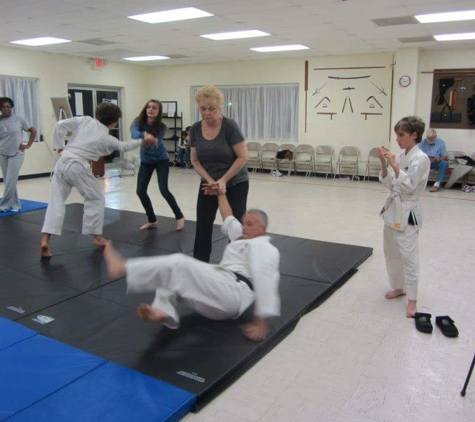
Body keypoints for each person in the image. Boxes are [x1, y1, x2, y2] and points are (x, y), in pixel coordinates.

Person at [103, 187, 280, 341]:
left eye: (250, 224)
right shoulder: (241, 236)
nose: (244, 227)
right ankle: (163, 311)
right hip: (216, 299)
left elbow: (267, 281)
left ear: (263, 229)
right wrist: (221, 193)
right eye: (244, 223)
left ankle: (123, 267)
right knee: (169, 275)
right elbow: (228, 216)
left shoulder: (266, 248)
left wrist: (261, 323)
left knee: (179, 263)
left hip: (233, 292)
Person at [40, 103, 156, 259]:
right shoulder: (107, 138)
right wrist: (143, 139)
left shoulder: (85, 120)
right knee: (96, 198)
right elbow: (124, 146)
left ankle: (45, 241)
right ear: (114, 122)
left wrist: (59, 146)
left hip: (62, 161)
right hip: (78, 165)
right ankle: (97, 237)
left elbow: (60, 125)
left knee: (56, 201)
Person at [377, 116, 430, 318]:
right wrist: (385, 163)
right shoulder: (400, 156)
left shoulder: (421, 159)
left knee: (409, 257)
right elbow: (390, 183)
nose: (397, 139)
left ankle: (413, 301)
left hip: (408, 212)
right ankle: (398, 287)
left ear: (414, 135)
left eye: (402, 135)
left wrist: (395, 165)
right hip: (392, 210)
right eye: (397, 135)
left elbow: (409, 185)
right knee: (391, 253)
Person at [190, 86, 249, 262]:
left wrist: (223, 181)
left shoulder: (229, 127)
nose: (207, 113)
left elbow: (243, 157)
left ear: (220, 107)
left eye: (211, 109)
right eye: (203, 109)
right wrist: (211, 181)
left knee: (235, 226)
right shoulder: (194, 129)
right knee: (203, 225)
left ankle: (237, 267)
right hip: (208, 184)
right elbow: (195, 161)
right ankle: (200, 266)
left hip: (235, 183)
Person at [131, 99, 185, 231]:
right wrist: (145, 135)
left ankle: (179, 216)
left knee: (164, 190)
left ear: (158, 111)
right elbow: (134, 134)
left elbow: (155, 143)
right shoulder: (137, 122)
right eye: (149, 107)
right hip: (146, 161)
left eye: (154, 108)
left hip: (161, 160)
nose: (150, 110)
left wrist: (148, 139)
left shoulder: (162, 127)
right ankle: (152, 220)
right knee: (140, 191)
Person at [0, 97, 37, 212]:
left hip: (17, 153)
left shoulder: (19, 119)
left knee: (11, 180)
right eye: (3, 107)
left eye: (8, 107)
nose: (6, 109)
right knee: (8, 180)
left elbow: (33, 130)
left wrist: (28, 145)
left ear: (11, 108)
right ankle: (15, 204)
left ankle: (4, 206)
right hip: (3, 153)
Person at [418, 128, 449, 192]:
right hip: (425, 162)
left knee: (445, 163)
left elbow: (445, 156)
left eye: (431, 138)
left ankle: (436, 185)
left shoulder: (441, 142)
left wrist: (437, 159)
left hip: (436, 162)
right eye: (428, 138)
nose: (429, 140)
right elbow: (417, 153)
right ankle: (416, 183)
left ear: (435, 136)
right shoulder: (422, 142)